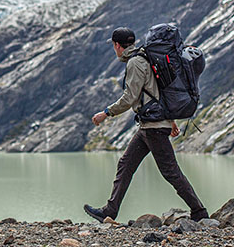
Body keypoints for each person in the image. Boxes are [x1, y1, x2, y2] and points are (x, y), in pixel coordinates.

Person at [83, 26, 208, 222]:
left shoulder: (135, 62)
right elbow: (160, 91)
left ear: (117, 45)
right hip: (151, 125)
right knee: (126, 164)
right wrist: (171, 121)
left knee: (171, 172)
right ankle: (110, 210)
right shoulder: (147, 57)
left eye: (113, 46)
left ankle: (199, 212)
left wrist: (106, 113)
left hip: (154, 127)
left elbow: (130, 97)